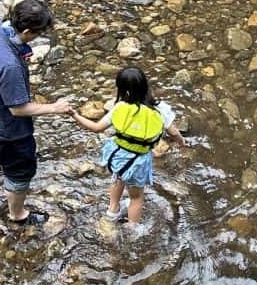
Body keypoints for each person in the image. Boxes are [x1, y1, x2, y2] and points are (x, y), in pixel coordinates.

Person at [0, 0, 73, 226]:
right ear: (27, 31)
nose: (37, 38)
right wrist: (54, 108)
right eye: (37, 34)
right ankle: (17, 215)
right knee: (19, 172)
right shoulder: (8, 65)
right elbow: (18, 109)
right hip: (7, 131)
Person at [71, 66, 185, 225]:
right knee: (136, 198)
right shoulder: (159, 109)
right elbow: (173, 132)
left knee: (117, 178)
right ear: (145, 85)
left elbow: (96, 128)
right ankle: (133, 230)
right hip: (138, 162)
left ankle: (112, 211)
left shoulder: (120, 107)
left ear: (122, 90)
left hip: (117, 157)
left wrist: (74, 115)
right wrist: (181, 141)